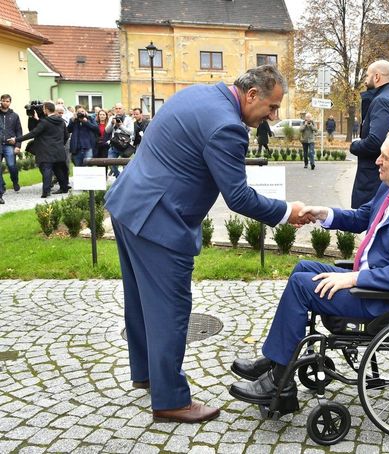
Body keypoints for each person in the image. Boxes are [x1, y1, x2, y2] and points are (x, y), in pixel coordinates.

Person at [104, 65, 313, 424]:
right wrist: (285, 212)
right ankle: (170, 399)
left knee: (140, 300)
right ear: (251, 96)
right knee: (171, 309)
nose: (274, 116)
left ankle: (146, 374)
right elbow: (239, 197)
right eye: (272, 107)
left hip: (130, 205)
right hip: (159, 222)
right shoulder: (228, 127)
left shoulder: (198, 93)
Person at [229, 125, 389, 407]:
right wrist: (325, 214)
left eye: (385, 157)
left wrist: (353, 279)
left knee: (301, 286)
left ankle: (280, 385)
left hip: (387, 299)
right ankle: (277, 360)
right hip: (373, 280)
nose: (377, 161)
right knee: (303, 269)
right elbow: (363, 217)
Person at [350, 60, 389, 208]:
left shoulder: (382, 101)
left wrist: (354, 145)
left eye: (367, 76)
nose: (366, 81)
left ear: (377, 77)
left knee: (374, 226)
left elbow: (376, 141)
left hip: (378, 181)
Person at [9, 101, 69, 198]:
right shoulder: (61, 121)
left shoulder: (45, 122)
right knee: (58, 170)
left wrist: (16, 139)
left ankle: (46, 192)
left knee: (47, 170)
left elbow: (32, 134)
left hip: (46, 151)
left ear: (46, 109)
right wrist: (60, 145)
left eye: (43, 108)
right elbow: (66, 136)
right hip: (59, 150)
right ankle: (64, 188)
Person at [0, 94, 23, 203]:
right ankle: (1, 185)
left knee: (11, 165)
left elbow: (19, 131)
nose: (5, 103)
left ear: (10, 102)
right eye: (3, 101)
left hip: (10, 144)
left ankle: (15, 181)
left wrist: (18, 146)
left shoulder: (14, 116)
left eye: (7, 101)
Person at [105, 103, 134, 177]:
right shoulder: (112, 118)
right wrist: (112, 123)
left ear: (123, 109)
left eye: (119, 108)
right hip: (114, 144)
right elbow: (107, 131)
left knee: (125, 166)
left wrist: (121, 125)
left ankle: (124, 181)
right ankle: (119, 177)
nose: (118, 110)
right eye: (116, 108)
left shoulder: (128, 119)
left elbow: (131, 132)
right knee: (110, 163)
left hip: (124, 145)